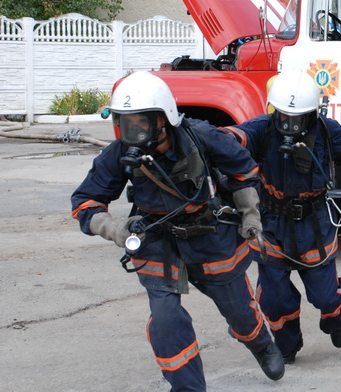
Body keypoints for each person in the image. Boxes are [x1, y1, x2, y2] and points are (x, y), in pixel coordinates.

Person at [71, 71, 284, 390]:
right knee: (167, 323)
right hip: (158, 242)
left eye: (140, 121)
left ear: (163, 119)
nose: (133, 130)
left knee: (240, 313)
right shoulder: (121, 153)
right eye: (125, 122)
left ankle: (262, 345)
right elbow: (85, 201)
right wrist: (115, 228)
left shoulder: (201, 137)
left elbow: (244, 171)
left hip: (210, 236)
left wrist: (250, 215)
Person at [223, 69, 341, 364]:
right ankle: (287, 344)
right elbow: (234, 138)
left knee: (325, 295)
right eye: (284, 117)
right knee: (274, 298)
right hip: (272, 224)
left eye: (298, 119)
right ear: (275, 111)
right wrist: (214, 139)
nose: (289, 125)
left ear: (312, 114)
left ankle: (335, 315)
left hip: (314, 224)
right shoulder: (262, 129)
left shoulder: (325, 130)